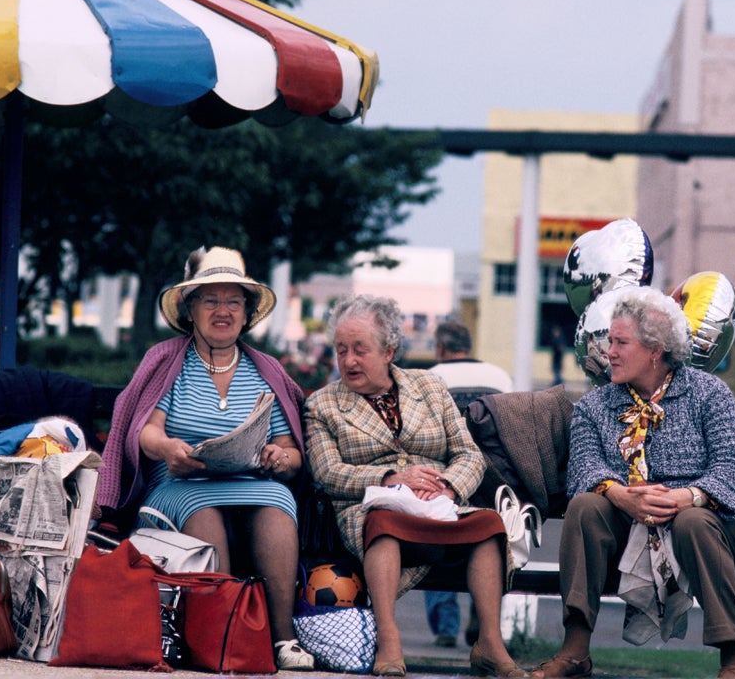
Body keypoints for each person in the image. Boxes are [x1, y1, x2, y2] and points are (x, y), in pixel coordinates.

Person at [96, 246, 315, 671]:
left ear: (247, 312)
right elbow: (146, 431)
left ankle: (283, 638)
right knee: (203, 509)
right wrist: (168, 449)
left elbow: (293, 454)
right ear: (190, 308)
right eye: (211, 300)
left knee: (278, 503)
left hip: (252, 482)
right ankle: (223, 630)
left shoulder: (265, 368)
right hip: (179, 484)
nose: (223, 310)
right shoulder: (166, 360)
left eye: (234, 301)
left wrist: (279, 457)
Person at [533, 287, 735, 679]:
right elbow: (583, 471)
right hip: (632, 522)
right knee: (585, 506)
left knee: (692, 522)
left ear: (655, 350)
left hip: (715, 525)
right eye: (609, 341)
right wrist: (621, 496)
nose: (610, 352)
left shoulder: (709, 394)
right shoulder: (595, 405)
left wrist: (687, 497)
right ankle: (574, 652)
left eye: (621, 342)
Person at [304, 294, 527, 678]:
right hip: (371, 508)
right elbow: (328, 473)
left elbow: (469, 455)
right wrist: (389, 480)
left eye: (360, 350)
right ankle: (389, 640)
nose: (349, 361)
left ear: (389, 350)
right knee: (384, 524)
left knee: (488, 526)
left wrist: (449, 488)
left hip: (441, 505)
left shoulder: (430, 387)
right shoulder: (323, 405)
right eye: (341, 351)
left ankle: (489, 643)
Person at [425, 320, 514, 648]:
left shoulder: (431, 376)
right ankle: (483, 610)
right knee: (488, 544)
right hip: (495, 480)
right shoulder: (499, 377)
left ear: (441, 348)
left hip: (448, 475)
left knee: (434, 539)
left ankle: (446, 626)